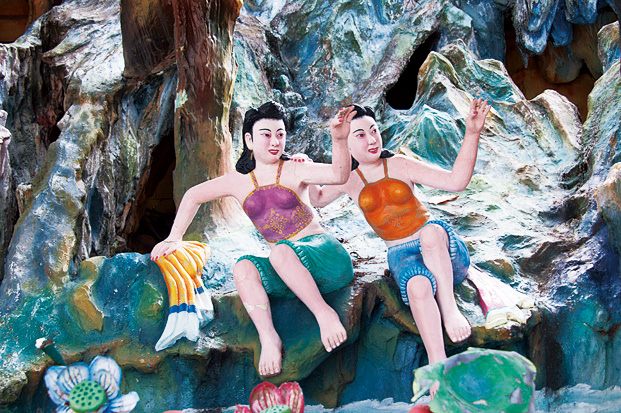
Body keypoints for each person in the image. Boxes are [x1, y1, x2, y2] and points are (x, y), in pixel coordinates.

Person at [150, 101, 357, 377]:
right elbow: (193, 195)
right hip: (289, 271)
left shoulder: (295, 169)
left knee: (280, 252)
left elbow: (339, 174)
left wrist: (339, 139)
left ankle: (324, 314)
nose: (275, 141)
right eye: (266, 134)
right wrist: (174, 238)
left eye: (280, 134)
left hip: (325, 257)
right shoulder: (238, 181)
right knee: (243, 267)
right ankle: (268, 338)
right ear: (249, 139)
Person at [308, 99, 491, 365]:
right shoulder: (348, 179)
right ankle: (437, 364)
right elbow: (318, 199)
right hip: (401, 254)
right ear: (347, 144)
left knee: (429, 235)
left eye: (374, 130)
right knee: (418, 286)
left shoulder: (399, 165)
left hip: (442, 251)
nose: (372, 139)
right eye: (361, 135)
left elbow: (456, 181)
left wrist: (472, 132)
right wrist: (305, 170)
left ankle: (450, 310)